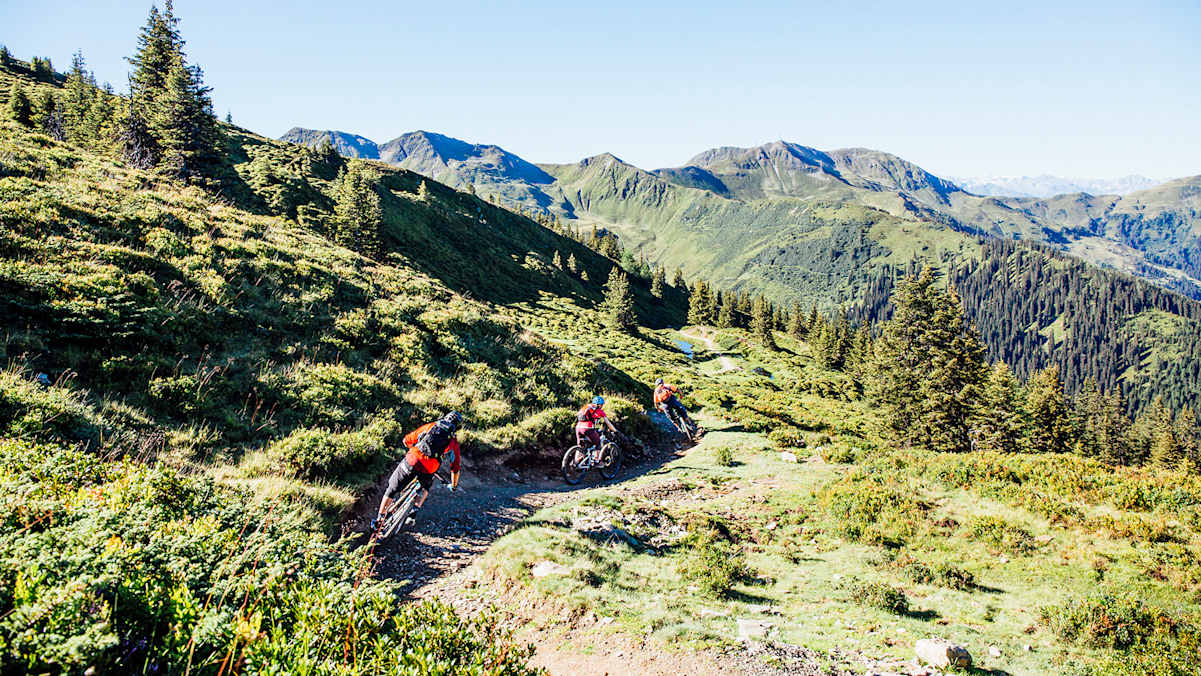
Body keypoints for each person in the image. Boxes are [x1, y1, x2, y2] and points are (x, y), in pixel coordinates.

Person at [372, 411, 462, 531]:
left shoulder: (431, 426)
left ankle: (379, 519)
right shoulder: (453, 441)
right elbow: (455, 468)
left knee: (392, 488)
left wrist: (411, 447)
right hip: (430, 467)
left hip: (413, 460)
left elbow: (407, 440)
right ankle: (413, 512)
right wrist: (454, 485)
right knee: (425, 487)